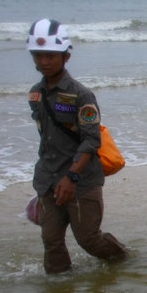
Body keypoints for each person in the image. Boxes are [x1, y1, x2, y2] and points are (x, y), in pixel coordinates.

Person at [26, 18, 127, 274]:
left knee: (89, 239)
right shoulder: (35, 94)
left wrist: (71, 176)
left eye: (50, 55)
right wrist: (44, 181)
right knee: (51, 241)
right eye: (38, 56)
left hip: (81, 180)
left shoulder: (81, 95)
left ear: (65, 57)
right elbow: (46, 139)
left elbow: (92, 139)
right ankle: (59, 290)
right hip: (48, 179)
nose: (44, 62)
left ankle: (124, 262)